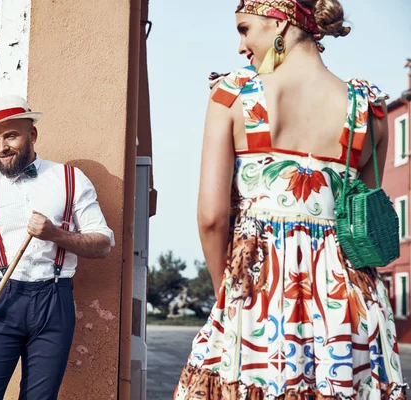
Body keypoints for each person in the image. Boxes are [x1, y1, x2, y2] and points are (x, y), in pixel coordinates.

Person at [174, 1, 407, 399]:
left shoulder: (232, 97)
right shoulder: (369, 109)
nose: (241, 46)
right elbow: (362, 217)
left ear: (279, 22)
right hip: (349, 306)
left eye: (244, 29)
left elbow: (212, 218)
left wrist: (226, 293)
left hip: (259, 292)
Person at [0, 95, 114, 399]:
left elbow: (103, 244)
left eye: (11, 135)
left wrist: (55, 234)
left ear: (32, 135)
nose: (2, 146)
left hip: (54, 298)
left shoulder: (70, 180)